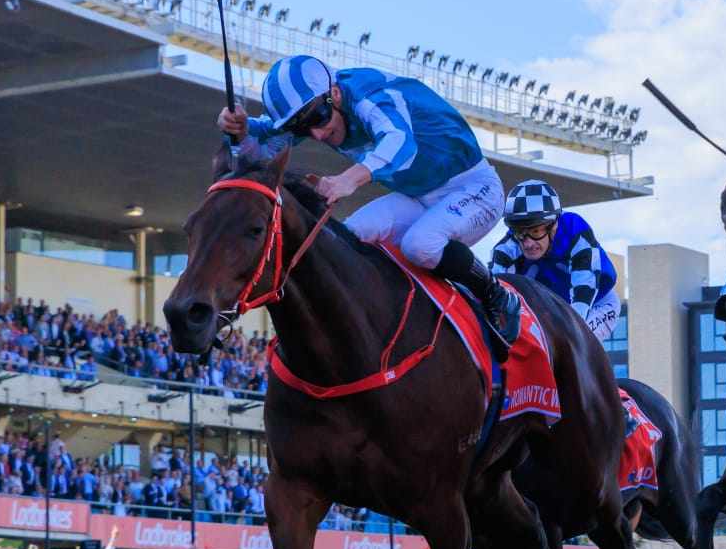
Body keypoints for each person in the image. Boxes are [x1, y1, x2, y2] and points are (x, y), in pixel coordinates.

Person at [217, 55, 518, 354]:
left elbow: (401, 141)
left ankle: (494, 292)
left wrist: (348, 179)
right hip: (418, 198)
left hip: (475, 188)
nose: (318, 134)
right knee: (347, 238)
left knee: (419, 244)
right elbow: (262, 149)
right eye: (303, 129)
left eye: (319, 118)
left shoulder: (369, 95)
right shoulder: (317, 104)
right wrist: (240, 130)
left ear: (334, 94)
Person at [489, 180, 621, 342]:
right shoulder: (507, 248)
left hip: (596, 304)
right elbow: (494, 296)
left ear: (553, 226)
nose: (528, 243)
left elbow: (581, 300)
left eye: (535, 231)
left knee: (574, 342)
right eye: (520, 232)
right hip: (553, 311)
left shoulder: (576, 232)